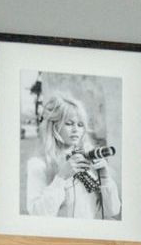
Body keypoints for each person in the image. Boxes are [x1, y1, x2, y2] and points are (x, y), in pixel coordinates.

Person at [24, 88, 121, 220]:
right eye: (69, 124)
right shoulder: (39, 165)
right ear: (54, 126)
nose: (76, 129)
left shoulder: (89, 158)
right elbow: (38, 214)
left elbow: (113, 210)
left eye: (80, 125)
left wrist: (104, 175)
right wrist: (61, 177)